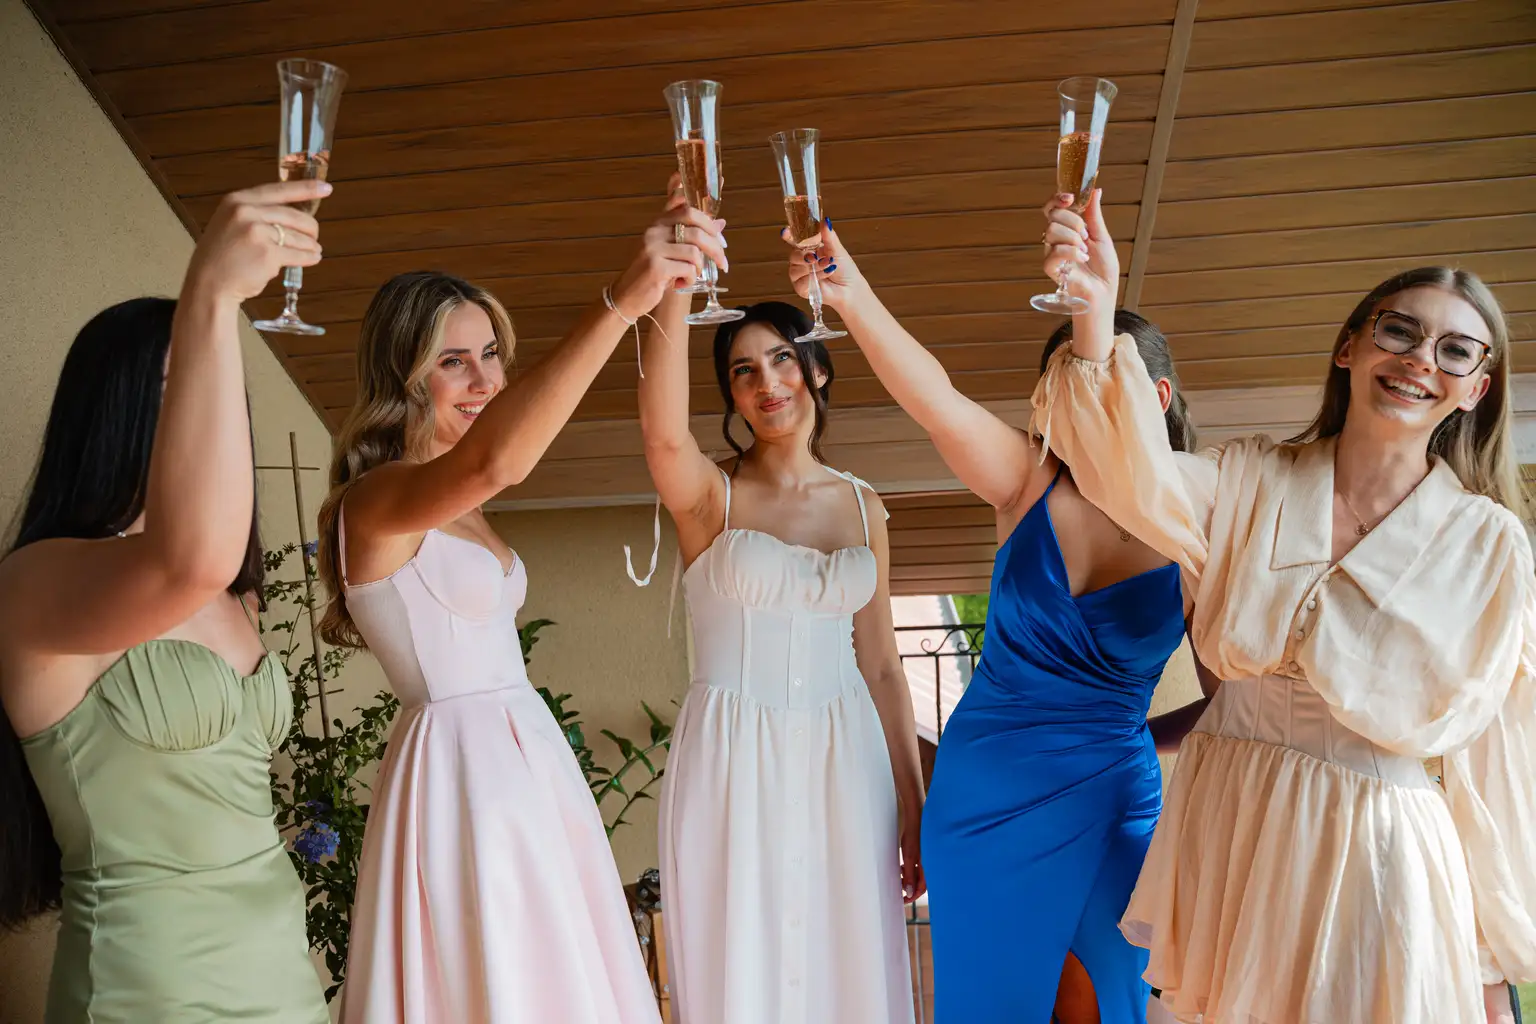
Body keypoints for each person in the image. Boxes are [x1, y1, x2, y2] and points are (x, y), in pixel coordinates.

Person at [1034, 187, 1534, 1024]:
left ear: (1477, 390)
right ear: (1350, 346)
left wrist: (1488, 968)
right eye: (1400, 330)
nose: (1421, 359)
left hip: (1378, 851)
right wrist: (1093, 307)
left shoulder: (1488, 544)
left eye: (1455, 351)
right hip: (1233, 831)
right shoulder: (1248, 482)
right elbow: (1118, 464)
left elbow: (1494, 765)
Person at [786, 227, 1217, 1023]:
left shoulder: (1203, 525)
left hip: (1114, 800)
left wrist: (1143, 735)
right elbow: (935, 398)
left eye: (1083, 388)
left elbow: (1235, 698)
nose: (1060, 412)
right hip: (986, 797)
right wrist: (850, 293)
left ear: (1154, 397)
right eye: (1053, 393)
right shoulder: (1027, 480)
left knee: (1101, 1000)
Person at [318, 180, 718, 1024]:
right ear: (403, 375)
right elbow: (500, 461)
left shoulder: (462, 507)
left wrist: (673, 293)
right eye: (452, 361)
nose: (484, 379)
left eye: (490, 354)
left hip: (526, 763)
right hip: (459, 776)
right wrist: (621, 300)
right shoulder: (376, 501)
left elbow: (498, 465)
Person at [0, 180, 332, 1022]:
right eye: (190, 376)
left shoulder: (235, 593)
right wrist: (212, 294)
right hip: (146, 989)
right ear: (115, 410)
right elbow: (187, 559)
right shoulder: (37, 583)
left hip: (281, 977)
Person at [639, 283, 923, 1022]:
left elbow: (882, 663)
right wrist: (674, 290)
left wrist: (913, 801)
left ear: (817, 369)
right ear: (731, 396)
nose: (767, 382)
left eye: (782, 359)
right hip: (733, 754)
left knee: (845, 958)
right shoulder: (712, 496)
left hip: (845, 755)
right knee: (741, 953)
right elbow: (664, 440)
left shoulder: (863, 505)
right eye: (743, 371)